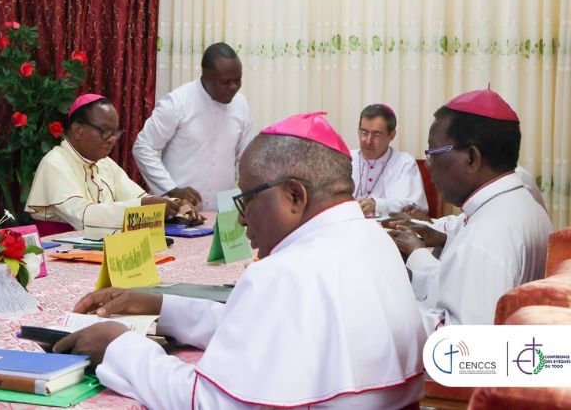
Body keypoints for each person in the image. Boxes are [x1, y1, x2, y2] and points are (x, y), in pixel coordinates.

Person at [54, 112, 425, 409]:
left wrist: (118, 345)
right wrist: (160, 305)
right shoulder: (374, 240)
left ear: (294, 196)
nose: (243, 218)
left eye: (246, 199)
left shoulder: (283, 273)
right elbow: (269, 328)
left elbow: (207, 401)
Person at [393, 89, 552, 332]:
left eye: (433, 152)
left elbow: (464, 349)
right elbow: (465, 290)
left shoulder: (484, 238)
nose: (428, 163)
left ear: (471, 158)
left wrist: (387, 302)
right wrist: (410, 279)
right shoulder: (523, 204)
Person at [26, 94, 200, 239]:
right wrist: (145, 205)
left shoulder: (104, 163)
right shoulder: (55, 163)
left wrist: (177, 206)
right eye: (104, 131)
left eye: (115, 132)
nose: (112, 139)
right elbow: (82, 216)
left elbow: (139, 198)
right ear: (78, 130)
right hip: (62, 255)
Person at [132, 43, 252, 210]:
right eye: (225, 82)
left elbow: (244, 157)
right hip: (176, 210)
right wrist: (171, 190)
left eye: (237, 80)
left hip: (222, 214)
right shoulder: (177, 103)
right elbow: (143, 147)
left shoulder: (242, 105)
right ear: (206, 74)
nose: (233, 87)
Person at [351, 104, 427, 217]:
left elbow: (415, 206)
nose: (368, 141)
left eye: (376, 134)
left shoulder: (404, 163)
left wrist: (377, 205)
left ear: (392, 135)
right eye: (364, 132)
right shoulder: (346, 158)